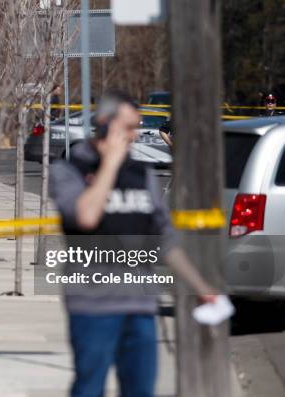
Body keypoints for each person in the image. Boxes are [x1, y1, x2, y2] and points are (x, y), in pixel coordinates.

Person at [50, 91, 217, 397]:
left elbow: (165, 238)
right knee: (89, 388)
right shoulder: (70, 169)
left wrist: (200, 286)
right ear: (104, 124)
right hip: (92, 304)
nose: (135, 134)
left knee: (141, 389)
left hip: (139, 304)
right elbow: (85, 217)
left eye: (136, 126)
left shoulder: (141, 174)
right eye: (128, 127)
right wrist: (110, 165)